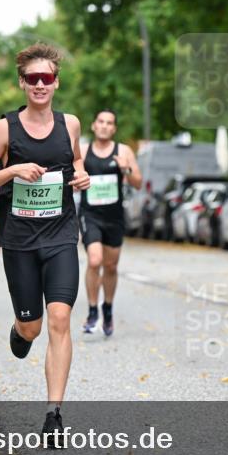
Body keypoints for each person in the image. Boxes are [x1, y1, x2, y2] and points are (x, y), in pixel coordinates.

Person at [0, 42, 90, 443]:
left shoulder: (70, 124)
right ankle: (21, 331)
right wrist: (13, 169)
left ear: (56, 83)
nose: (41, 84)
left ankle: (54, 414)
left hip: (59, 236)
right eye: (33, 78)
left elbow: (76, 163)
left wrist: (82, 176)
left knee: (60, 319)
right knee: (34, 326)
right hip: (20, 240)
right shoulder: (6, 128)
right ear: (22, 83)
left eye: (47, 78)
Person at [80, 109, 142, 336]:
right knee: (94, 260)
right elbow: (72, 177)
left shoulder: (123, 151)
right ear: (94, 125)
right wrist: (78, 181)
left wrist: (126, 168)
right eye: (101, 122)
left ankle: (107, 308)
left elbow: (138, 183)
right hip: (90, 215)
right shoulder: (83, 151)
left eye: (109, 123)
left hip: (114, 217)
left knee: (111, 266)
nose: (105, 126)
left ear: (114, 128)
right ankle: (92, 310)